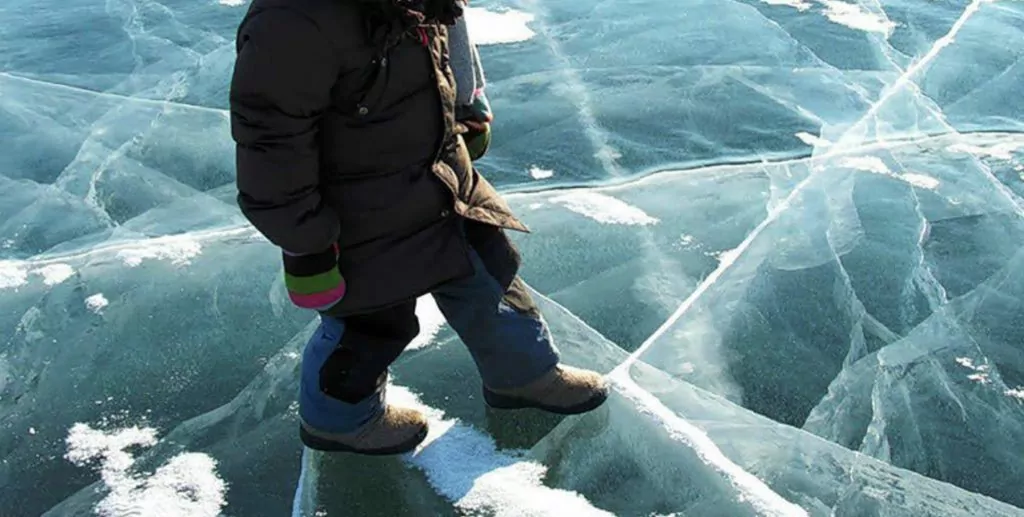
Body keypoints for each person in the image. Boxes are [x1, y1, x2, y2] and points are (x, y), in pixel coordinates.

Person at [228, 0, 608, 456]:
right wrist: (306, 238)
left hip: (444, 183)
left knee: (491, 279)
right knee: (369, 324)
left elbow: (450, 43)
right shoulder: (294, 21)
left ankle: (526, 377)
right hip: (359, 219)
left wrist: (467, 107)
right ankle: (338, 421)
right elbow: (270, 145)